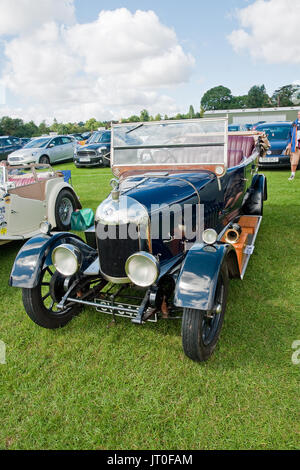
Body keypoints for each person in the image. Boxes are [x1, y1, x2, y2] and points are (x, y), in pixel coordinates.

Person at [287, 111, 300, 181]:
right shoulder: (294, 124)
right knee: (294, 162)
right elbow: (289, 135)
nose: (299, 115)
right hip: (296, 146)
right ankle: (292, 175)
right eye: (299, 114)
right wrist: (289, 143)